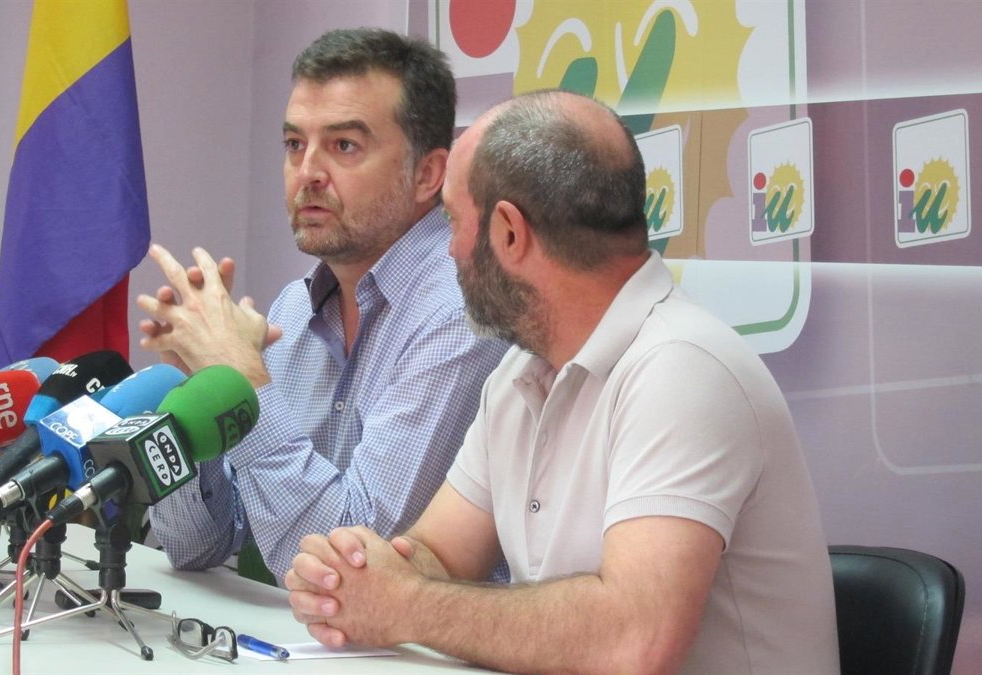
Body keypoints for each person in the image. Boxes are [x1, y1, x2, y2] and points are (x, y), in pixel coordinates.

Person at [285, 90, 840, 674]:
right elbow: (438, 554)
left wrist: (406, 605)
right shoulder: (519, 375)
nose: (448, 250)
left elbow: (634, 642)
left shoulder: (684, 369)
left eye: (452, 222)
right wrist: (350, 575)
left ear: (508, 234)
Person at [136, 28, 509, 583]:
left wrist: (243, 379)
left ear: (428, 174)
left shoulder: (462, 314)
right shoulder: (295, 308)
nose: (307, 172)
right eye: (294, 144)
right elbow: (200, 545)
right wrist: (202, 391)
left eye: (344, 146)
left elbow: (354, 571)